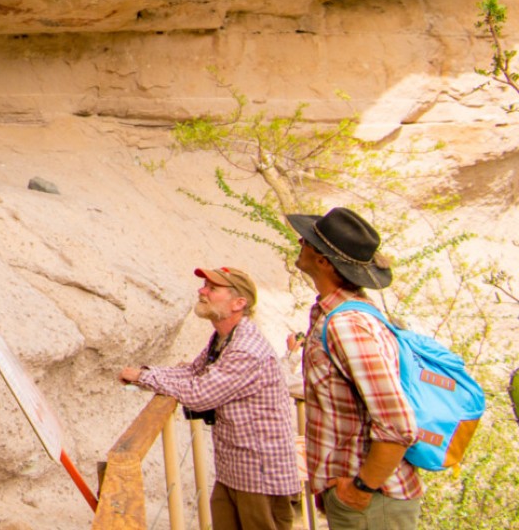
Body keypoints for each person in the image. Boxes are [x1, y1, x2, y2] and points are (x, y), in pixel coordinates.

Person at [118, 266, 301, 530]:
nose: (202, 291)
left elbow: (200, 394)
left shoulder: (246, 348)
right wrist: (144, 373)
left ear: (239, 303)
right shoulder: (225, 337)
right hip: (236, 470)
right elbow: (192, 371)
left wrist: (143, 378)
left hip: (261, 477)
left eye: (212, 289)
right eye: (205, 285)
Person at [288, 206, 421, 529]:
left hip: (372, 501)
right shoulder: (338, 314)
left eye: (307, 242)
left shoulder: (348, 324)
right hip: (364, 499)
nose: (300, 244)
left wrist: (360, 489)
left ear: (323, 262)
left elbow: (399, 424)